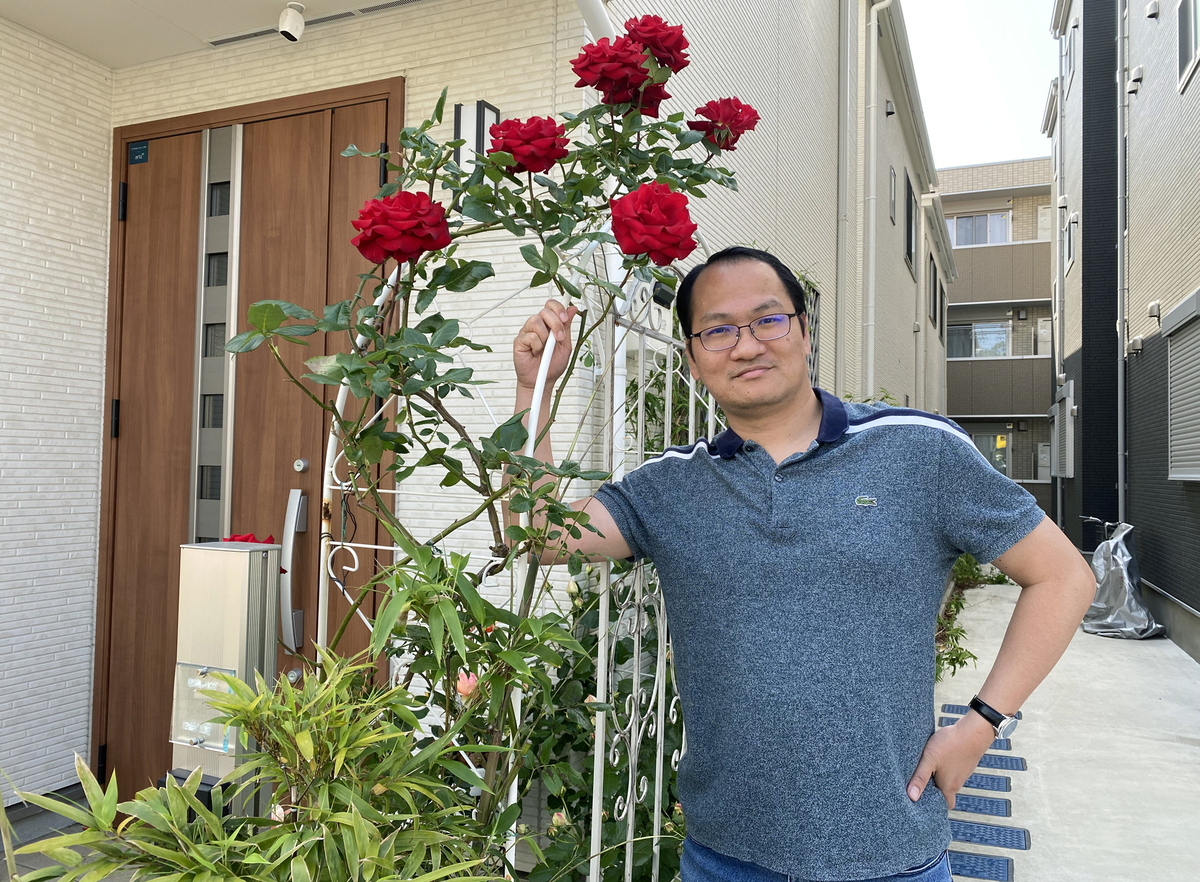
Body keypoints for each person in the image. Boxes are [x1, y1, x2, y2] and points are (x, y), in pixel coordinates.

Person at [510, 246, 1095, 882]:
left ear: (804, 331)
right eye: (718, 329)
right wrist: (535, 390)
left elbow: (1063, 576)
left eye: (768, 319)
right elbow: (538, 535)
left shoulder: (918, 452)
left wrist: (980, 725)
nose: (746, 345)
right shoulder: (670, 487)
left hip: (890, 856)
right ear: (692, 357)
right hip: (722, 858)